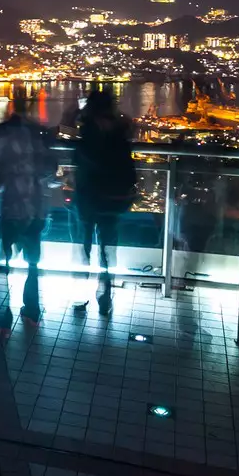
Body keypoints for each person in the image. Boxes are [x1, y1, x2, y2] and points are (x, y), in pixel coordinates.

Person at [0, 88, 58, 331]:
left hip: (7, 207)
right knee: (33, 263)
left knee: (3, 265)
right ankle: (32, 313)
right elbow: (50, 166)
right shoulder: (39, 134)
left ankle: (3, 320)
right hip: (34, 207)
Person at [70, 85, 137, 317]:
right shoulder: (120, 134)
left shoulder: (89, 132)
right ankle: (105, 297)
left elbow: (78, 158)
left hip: (88, 200)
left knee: (82, 249)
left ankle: (80, 297)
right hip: (111, 202)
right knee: (108, 250)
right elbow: (129, 170)